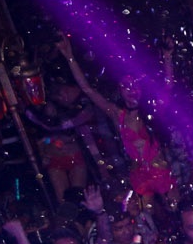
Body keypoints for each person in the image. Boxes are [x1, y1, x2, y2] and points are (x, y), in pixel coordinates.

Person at [57, 37, 175, 205]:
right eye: (126, 86)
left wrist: (168, 57)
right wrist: (69, 56)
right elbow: (87, 89)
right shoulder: (117, 114)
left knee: (175, 208)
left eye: (134, 85)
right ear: (120, 90)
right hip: (139, 177)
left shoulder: (152, 111)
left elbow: (168, 86)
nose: (131, 90)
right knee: (144, 215)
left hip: (162, 174)